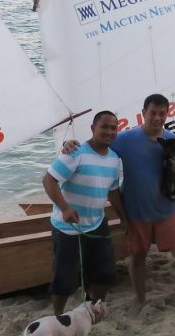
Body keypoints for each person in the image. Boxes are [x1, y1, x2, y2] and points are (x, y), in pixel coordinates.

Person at [114, 94, 175, 316]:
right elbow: (98, 149)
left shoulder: (173, 139)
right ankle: (139, 299)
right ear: (143, 113)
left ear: (167, 114)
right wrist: (70, 146)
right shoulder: (125, 139)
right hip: (136, 209)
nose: (157, 118)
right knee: (138, 255)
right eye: (153, 113)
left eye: (162, 113)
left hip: (166, 209)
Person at [42, 111, 124, 316]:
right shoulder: (75, 151)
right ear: (93, 128)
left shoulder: (114, 159)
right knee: (65, 279)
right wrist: (65, 208)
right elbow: (49, 180)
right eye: (104, 126)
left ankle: (93, 310)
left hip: (97, 223)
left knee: (105, 273)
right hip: (67, 227)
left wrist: (125, 219)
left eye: (113, 128)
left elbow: (113, 192)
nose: (109, 131)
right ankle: (58, 315)